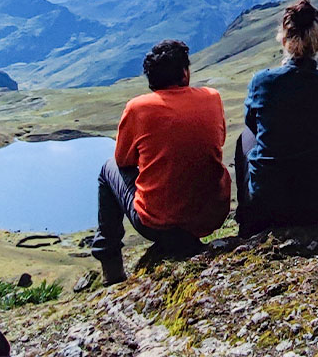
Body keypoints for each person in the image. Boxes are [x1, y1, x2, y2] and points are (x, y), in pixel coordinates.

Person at [90, 39, 230, 284]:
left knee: (107, 169)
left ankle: (110, 265)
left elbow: (123, 160)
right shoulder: (212, 97)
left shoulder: (138, 108)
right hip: (212, 216)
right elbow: (219, 140)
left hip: (158, 224)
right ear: (184, 73)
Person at [234, 0, 318, 237]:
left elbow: (254, 128)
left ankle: (247, 218)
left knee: (244, 139)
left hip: (269, 202)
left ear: (283, 38)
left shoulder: (262, 81)